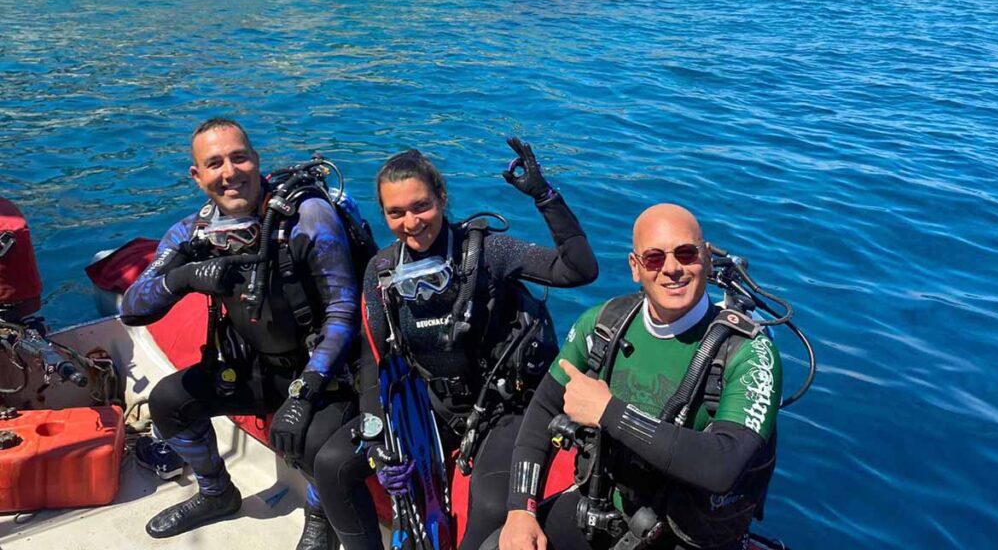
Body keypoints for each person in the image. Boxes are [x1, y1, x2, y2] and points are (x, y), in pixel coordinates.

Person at [312, 138, 599, 550]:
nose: (411, 222)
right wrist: (376, 435)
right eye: (396, 213)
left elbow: (579, 269)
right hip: (429, 406)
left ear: (442, 198)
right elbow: (374, 358)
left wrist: (545, 195)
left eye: (420, 206)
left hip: (500, 409)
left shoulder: (487, 252)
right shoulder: (381, 270)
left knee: (486, 508)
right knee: (332, 464)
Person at [120, 117, 361, 550]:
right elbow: (133, 307)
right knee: (168, 402)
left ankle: (319, 515)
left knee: (313, 443)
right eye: (214, 164)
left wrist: (305, 392)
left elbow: (344, 312)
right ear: (197, 177)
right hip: (251, 367)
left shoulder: (307, 217)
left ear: (256, 160)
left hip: (322, 372)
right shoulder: (192, 231)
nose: (229, 173)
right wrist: (185, 278)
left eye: (239, 157)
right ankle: (217, 494)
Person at [496, 204, 783, 550]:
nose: (672, 268)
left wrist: (608, 411)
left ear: (707, 258)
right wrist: (521, 510)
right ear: (635, 267)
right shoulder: (603, 325)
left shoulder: (749, 353)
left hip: (686, 536)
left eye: (686, 253)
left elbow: (722, 466)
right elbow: (543, 409)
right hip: (606, 510)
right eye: (654, 258)